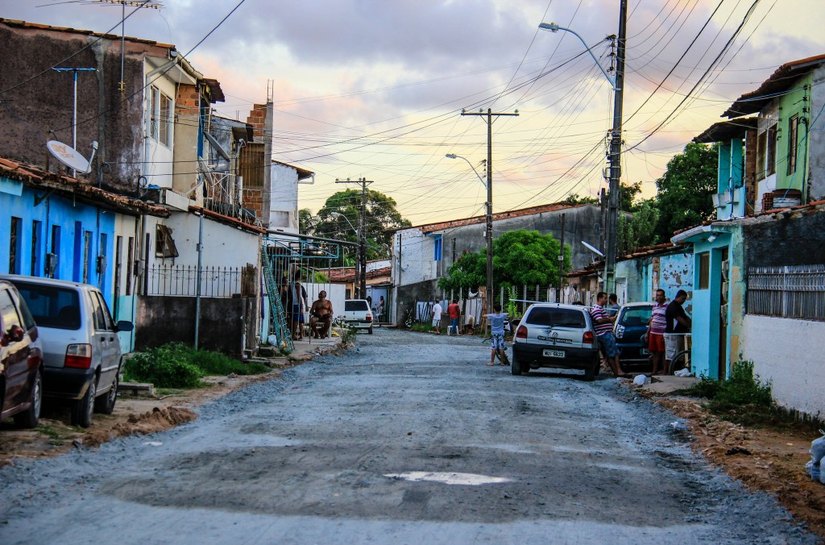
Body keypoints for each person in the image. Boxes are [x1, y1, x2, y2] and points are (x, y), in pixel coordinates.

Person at [590, 291, 622, 377]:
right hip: (604, 334)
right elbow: (599, 320)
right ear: (600, 298)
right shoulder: (596, 309)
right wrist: (610, 319)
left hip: (605, 333)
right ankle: (618, 371)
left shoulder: (600, 309)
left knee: (611, 354)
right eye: (605, 298)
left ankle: (616, 372)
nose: (606, 300)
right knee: (614, 353)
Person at [664, 289, 692, 373]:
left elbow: (685, 317)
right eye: (683, 299)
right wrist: (689, 326)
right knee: (671, 355)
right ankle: (668, 372)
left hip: (678, 334)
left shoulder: (678, 306)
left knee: (676, 354)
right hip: (673, 334)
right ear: (678, 297)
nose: (683, 301)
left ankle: (673, 371)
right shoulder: (673, 306)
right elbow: (679, 319)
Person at [647, 289, 668, 375]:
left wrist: (665, 333)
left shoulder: (667, 306)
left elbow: (669, 320)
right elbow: (652, 319)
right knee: (654, 352)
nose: (658, 297)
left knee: (662, 352)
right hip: (653, 332)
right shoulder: (654, 306)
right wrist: (647, 332)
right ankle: (654, 371)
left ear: (664, 296)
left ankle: (664, 370)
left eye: (660, 295)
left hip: (661, 333)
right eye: (657, 295)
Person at [289, 272, 308, 340]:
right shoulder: (297, 285)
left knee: (298, 320)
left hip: (294, 304)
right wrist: (302, 306)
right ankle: (295, 335)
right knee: (297, 321)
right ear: (299, 277)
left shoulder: (291, 284)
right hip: (297, 304)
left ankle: (300, 335)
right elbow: (299, 296)